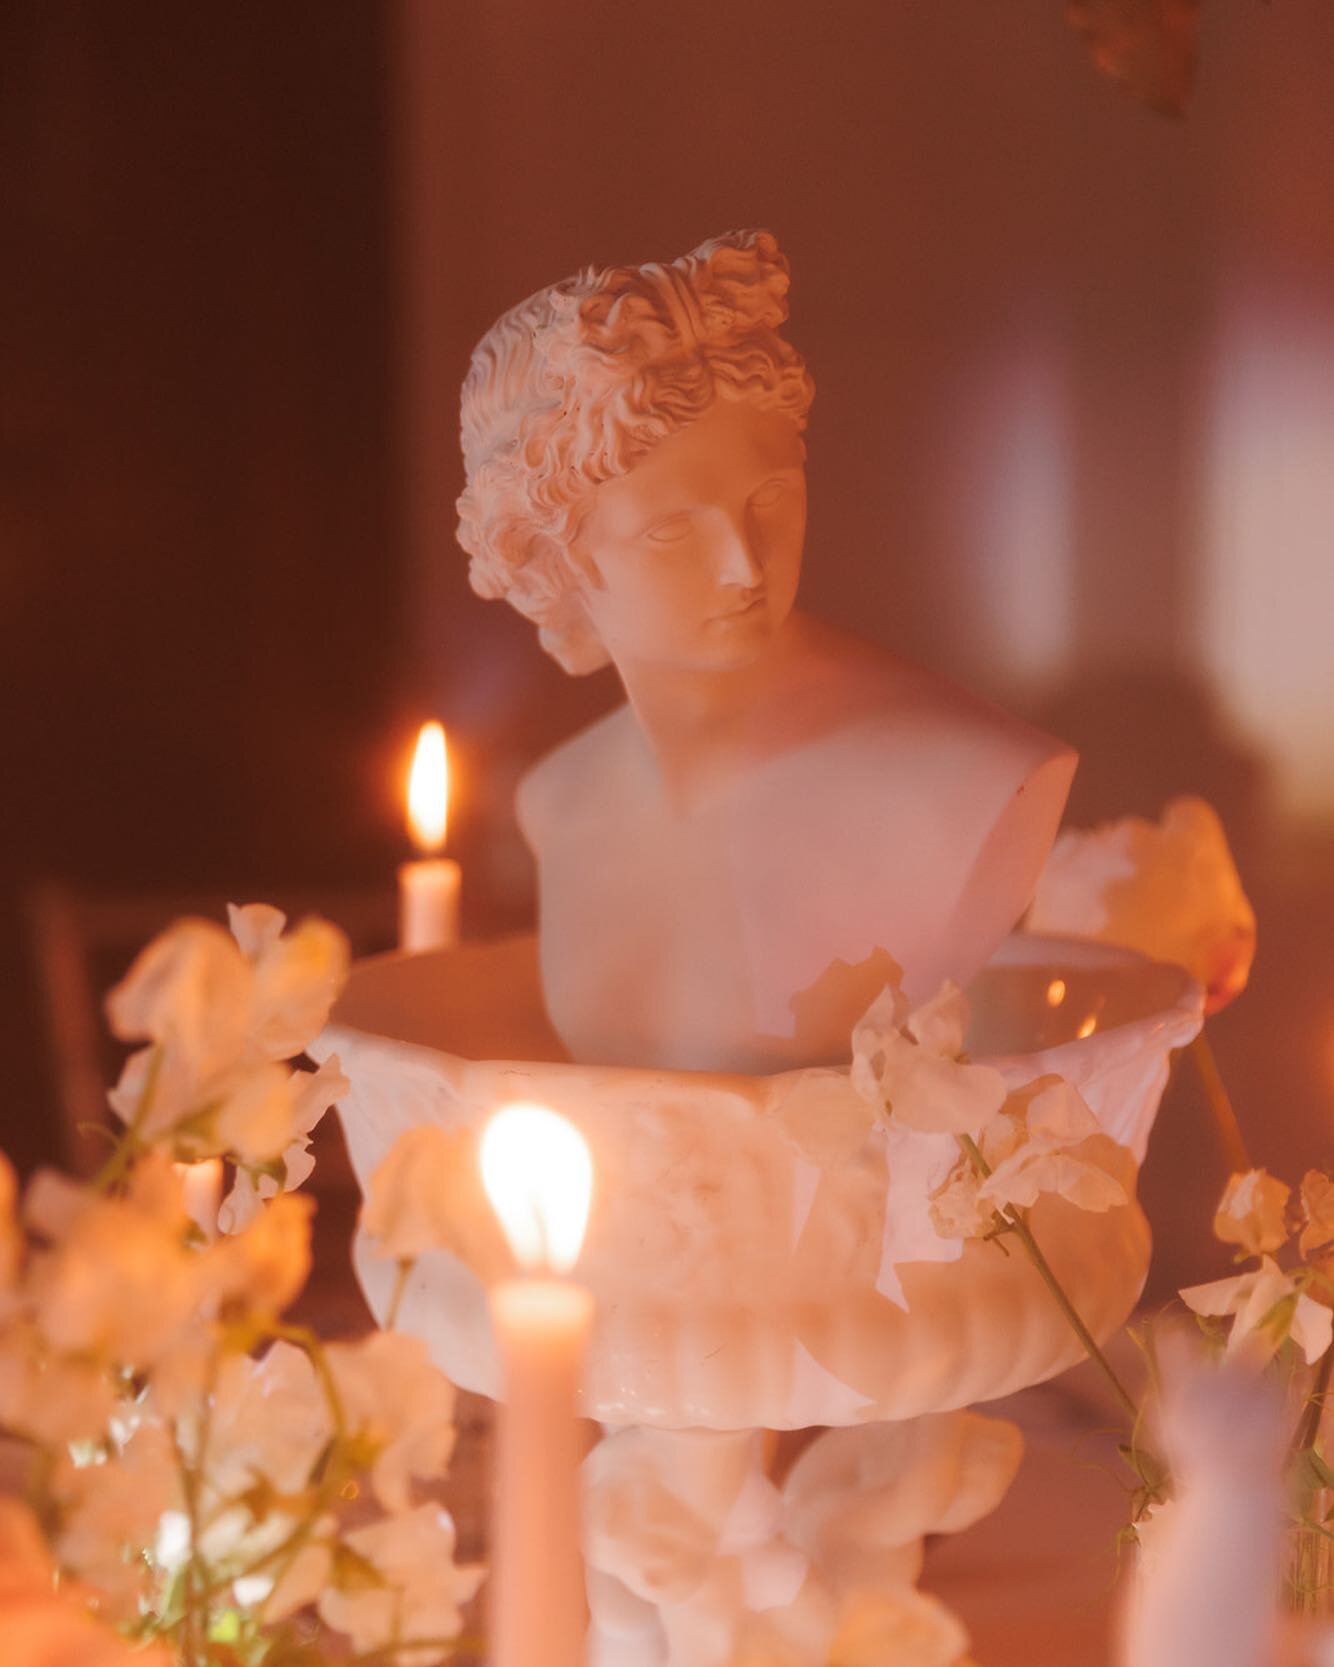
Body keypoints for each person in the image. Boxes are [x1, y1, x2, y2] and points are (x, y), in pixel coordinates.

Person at [457, 229, 1076, 1072]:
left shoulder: (972, 780)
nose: (744, 564)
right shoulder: (558, 802)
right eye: (673, 528)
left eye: (771, 495)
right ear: (558, 555)